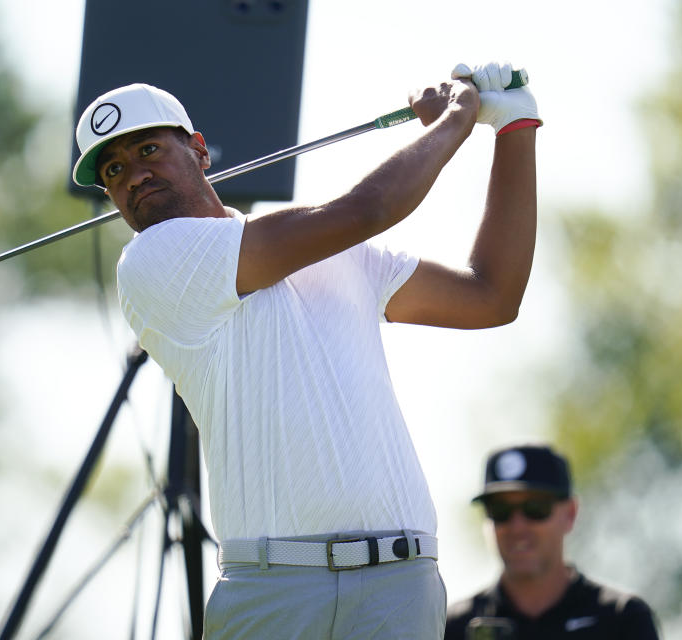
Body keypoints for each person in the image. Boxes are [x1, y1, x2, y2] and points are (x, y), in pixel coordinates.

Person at [72, 61, 539, 639]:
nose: (133, 176)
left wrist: (515, 130)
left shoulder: (331, 249)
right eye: (113, 170)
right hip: (274, 591)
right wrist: (455, 118)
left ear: (199, 150)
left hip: (400, 583)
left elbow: (490, 296)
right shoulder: (152, 261)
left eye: (147, 151)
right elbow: (365, 210)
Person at [445, 444, 661, 639]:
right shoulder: (453, 627)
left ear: (570, 514)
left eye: (536, 508)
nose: (517, 526)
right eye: (501, 511)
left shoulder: (623, 619)